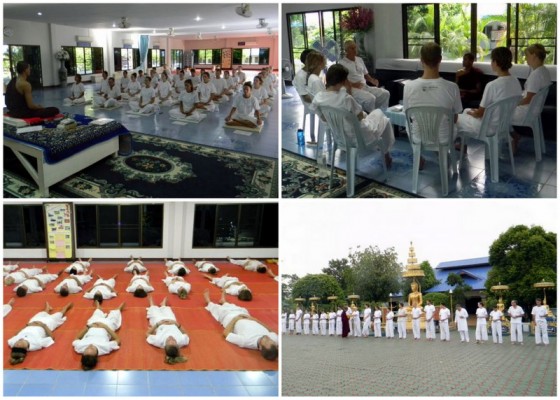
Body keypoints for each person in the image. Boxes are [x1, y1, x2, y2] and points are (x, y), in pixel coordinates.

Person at [311, 64, 394, 167]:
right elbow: (360, 117)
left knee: (379, 118)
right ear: (343, 81)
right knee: (382, 116)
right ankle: (386, 154)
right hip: (359, 138)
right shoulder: (345, 98)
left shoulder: (318, 97)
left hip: (339, 138)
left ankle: (384, 151)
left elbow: (324, 118)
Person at [403, 42, 462, 165]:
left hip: (419, 138)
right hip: (444, 138)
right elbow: (455, 118)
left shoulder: (409, 87)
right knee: (453, 122)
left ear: (421, 60)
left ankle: (418, 156)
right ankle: (443, 154)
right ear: (440, 59)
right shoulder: (452, 87)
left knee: (407, 122)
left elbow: (409, 116)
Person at [457, 47, 522, 141]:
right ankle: (463, 145)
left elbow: (480, 113)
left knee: (456, 118)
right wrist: (474, 112)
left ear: (495, 62)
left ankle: (451, 148)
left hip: (488, 127)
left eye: (492, 60)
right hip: (504, 124)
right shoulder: (515, 81)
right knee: (467, 110)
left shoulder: (492, 85)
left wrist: (474, 113)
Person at [203, 289, 278, 360]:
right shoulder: (273, 340)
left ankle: (209, 302)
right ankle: (224, 301)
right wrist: (256, 320)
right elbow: (270, 330)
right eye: (271, 340)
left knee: (219, 310)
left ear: (261, 347)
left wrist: (235, 319)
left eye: (266, 341)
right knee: (237, 308)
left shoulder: (246, 341)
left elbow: (226, 334)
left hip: (230, 318)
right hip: (245, 315)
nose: (268, 338)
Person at [511, 44, 552, 153]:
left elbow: (528, 99)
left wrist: (514, 103)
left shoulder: (536, 75)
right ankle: (514, 136)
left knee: (498, 111)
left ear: (534, 56)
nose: (526, 58)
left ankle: (512, 138)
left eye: (527, 55)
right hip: (534, 110)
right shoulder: (544, 71)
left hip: (526, 111)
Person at [8, 302, 73, 365]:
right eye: (18, 346)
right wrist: (43, 325)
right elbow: (52, 338)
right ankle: (66, 307)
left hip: (32, 322)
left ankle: (47, 308)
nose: (17, 344)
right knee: (59, 315)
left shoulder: (12, 342)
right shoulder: (37, 344)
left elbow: (15, 334)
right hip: (47, 324)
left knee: (42, 314)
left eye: (15, 345)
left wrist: (27, 325)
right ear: (25, 349)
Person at [339, 40, 390, 112]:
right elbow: (341, 80)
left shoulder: (359, 60)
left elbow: (366, 74)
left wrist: (373, 80)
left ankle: (381, 114)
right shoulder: (342, 63)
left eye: (355, 48)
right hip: (352, 88)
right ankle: (371, 118)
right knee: (370, 98)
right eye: (352, 48)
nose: (355, 50)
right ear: (346, 50)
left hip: (364, 86)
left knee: (385, 93)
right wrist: (353, 84)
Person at [73, 301, 125, 370]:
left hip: (93, 324)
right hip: (108, 325)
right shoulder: (105, 348)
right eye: (92, 348)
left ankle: (98, 305)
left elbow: (76, 338)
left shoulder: (79, 348)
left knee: (97, 311)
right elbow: (118, 340)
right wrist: (105, 326)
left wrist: (88, 327)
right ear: (96, 354)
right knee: (116, 313)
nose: (90, 346)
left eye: (87, 348)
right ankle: (120, 307)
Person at [146, 295, 189, 363]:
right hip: (172, 322)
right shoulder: (181, 341)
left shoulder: (158, 341)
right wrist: (176, 324)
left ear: (165, 345)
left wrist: (157, 325)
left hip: (158, 322)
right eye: (174, 340)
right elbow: (186, 334)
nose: (171, 338)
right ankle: (163, 305)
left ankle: (151, 303)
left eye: (169, 340)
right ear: (177, 345)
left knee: (154, 310)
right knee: (168, 311)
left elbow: (147, 334)